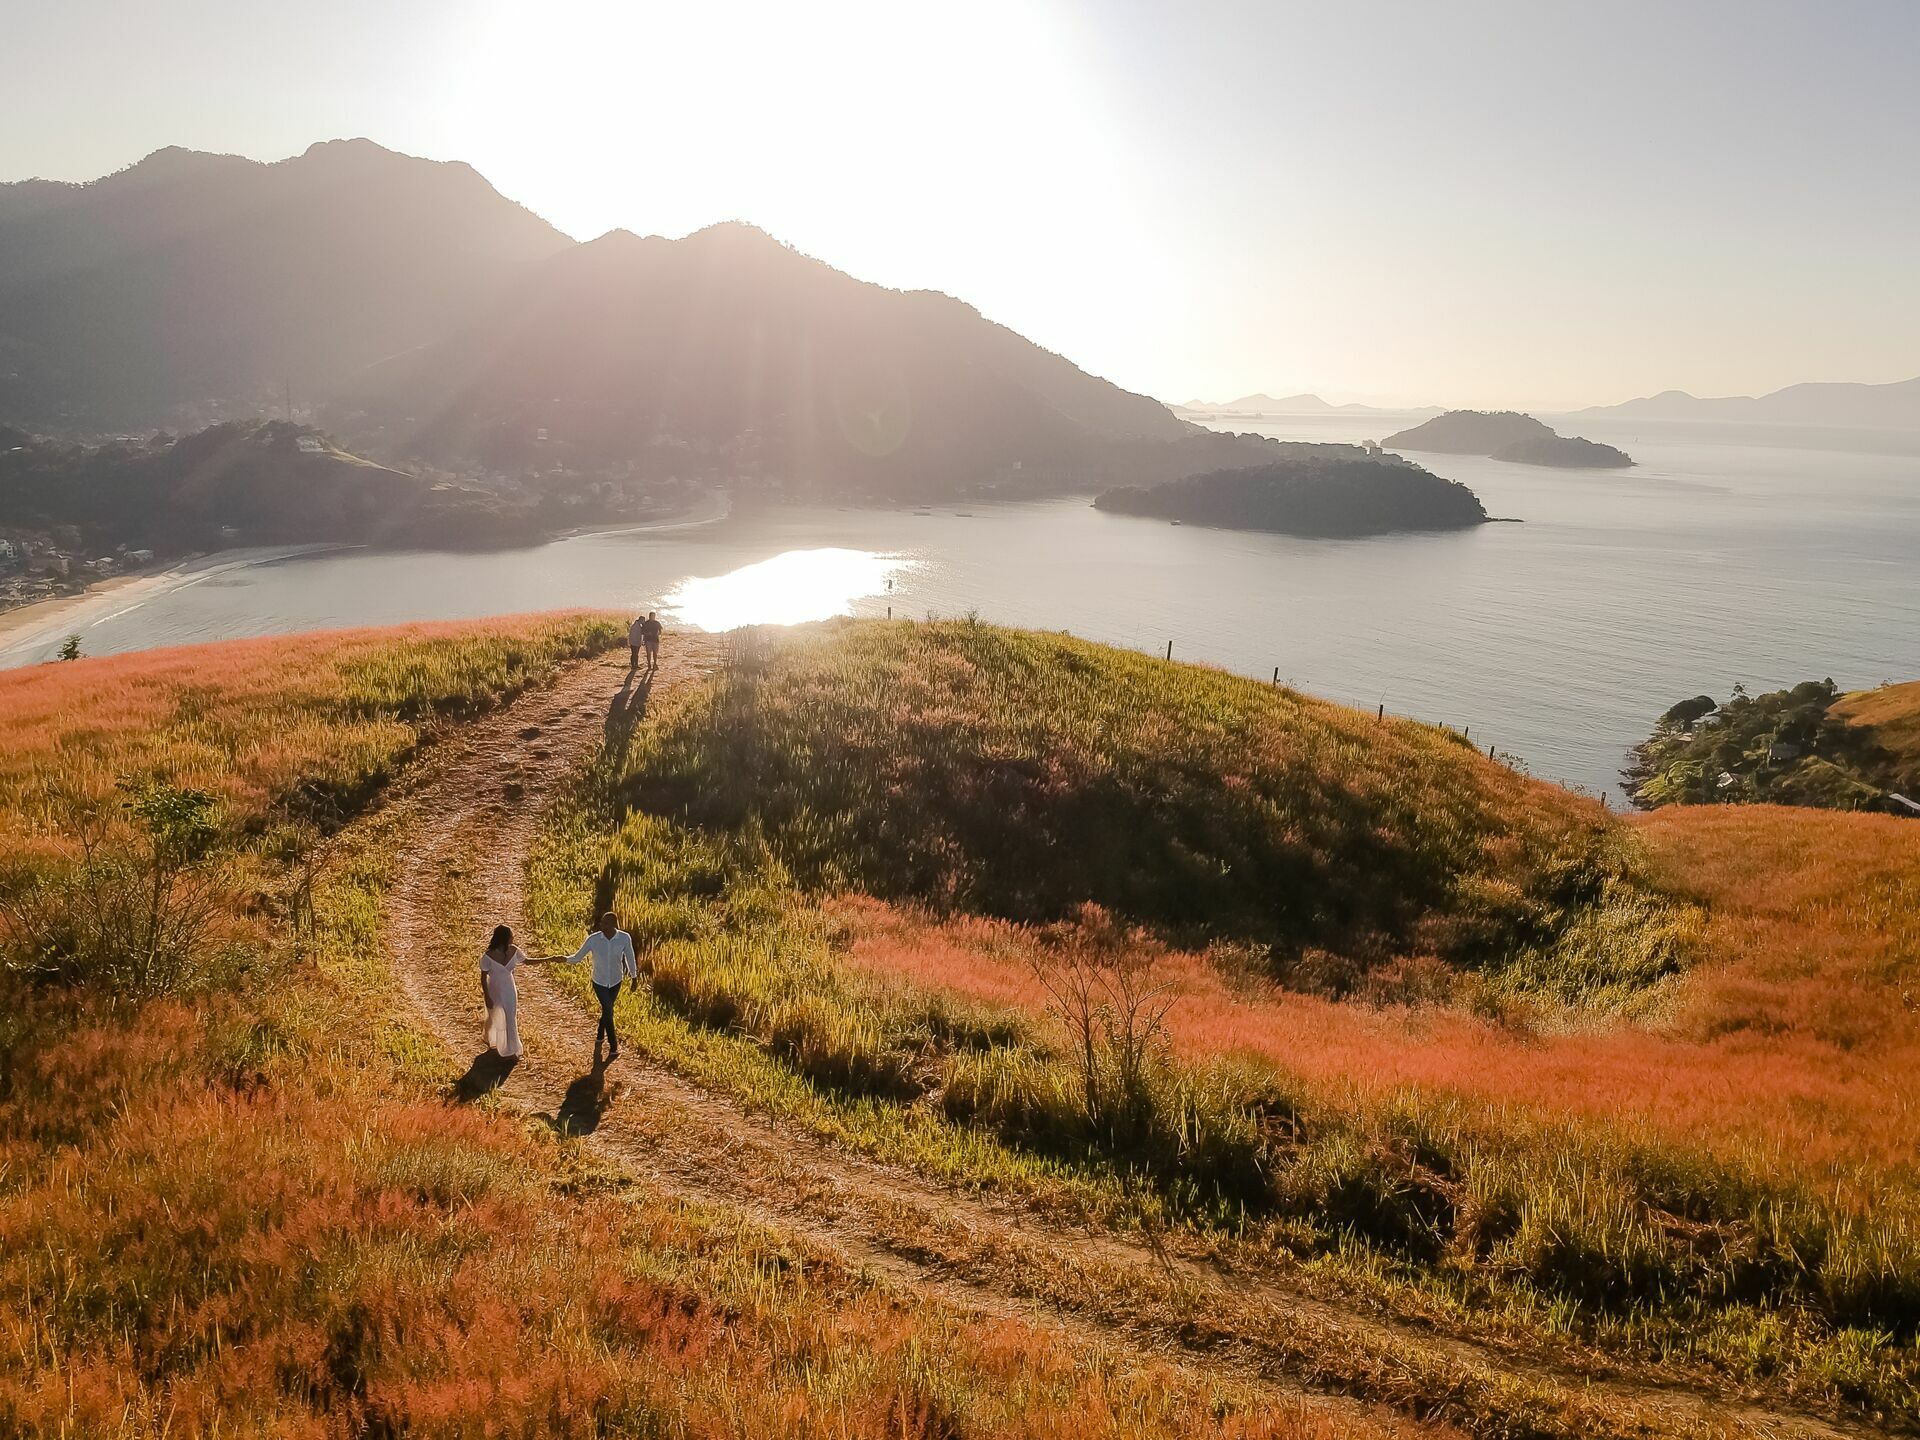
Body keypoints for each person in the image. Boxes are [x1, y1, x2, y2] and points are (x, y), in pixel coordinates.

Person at [562, 911, 638, 1060]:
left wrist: (634, 977)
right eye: (602, 923)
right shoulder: (594, 939)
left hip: (616, 981)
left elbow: (630, 957)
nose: (603, 925)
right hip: (599, 982)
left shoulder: (624, 938)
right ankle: (613, 1046)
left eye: (607, 923)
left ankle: (599, 1033)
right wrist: (563, 959)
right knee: (609, 1010)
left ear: (614, 924)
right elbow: (577, 957)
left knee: (607, 1010)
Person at [480, 924, 553, 1059]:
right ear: (503, 939)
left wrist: (549, 959)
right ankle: (490, 1038)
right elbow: (483, 978)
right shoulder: (488, 956)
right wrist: (487, 996)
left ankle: (511, 1049)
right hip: (494, 989)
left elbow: (528, 961)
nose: (513, 938)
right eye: (510, 936)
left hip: (509, 989)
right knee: (495, 1015)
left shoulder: (514, 950)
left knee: (510, 1017)